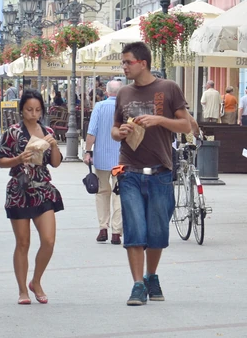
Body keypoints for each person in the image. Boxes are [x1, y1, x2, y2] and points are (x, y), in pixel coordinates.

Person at [112, 42, 197, 306]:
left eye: (128, 62)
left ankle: (151, 276)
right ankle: (137, 284)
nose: (124, 67)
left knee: (158, 231)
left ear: (143, 63)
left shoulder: (168, 88)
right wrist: (121, 132)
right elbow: (114, 130)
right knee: (135, 228)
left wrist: (159, 120)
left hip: (160, 171)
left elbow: (187, 125)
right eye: (123, 63)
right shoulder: (123, 93)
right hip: (129, 171)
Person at [0, 89, 63, 305]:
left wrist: (53, 144)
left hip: (43, 189)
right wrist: (18, 158)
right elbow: (1, 161)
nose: (33, 114)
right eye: (29, 110)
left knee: (49, 240)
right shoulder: (12, 132)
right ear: (21, 110)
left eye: (37, 110)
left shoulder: (47, 130)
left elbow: (55, 162)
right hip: (20, 189)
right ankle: (22, 290)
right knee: (23, 242)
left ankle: (36, 280)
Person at [84, 79, 123, 245]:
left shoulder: (99, 107)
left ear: (107, 92)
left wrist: (87, 151)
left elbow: (91, 133)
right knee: (119, 194)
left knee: (102, 192)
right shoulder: (125, 109)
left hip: (101, 158)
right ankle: (116, 232)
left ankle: (102, 228)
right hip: (122, 159)